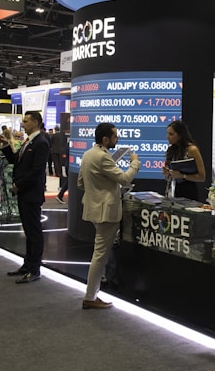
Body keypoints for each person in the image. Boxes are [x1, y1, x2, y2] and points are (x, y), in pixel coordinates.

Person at [78, 123, 140, 309]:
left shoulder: (89, 154)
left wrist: (99, 187)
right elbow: (124, 178)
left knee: (100, 253)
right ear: (105, 139)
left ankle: (92, 294)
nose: (117, 139)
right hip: (106, 212)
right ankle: (90, 297)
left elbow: (81, 183)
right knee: (100, 255)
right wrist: (135, 162)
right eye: (115, 136)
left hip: (95, 209)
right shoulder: (103, 157)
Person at [0, 111, 50, 284]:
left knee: (34, 232)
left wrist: (19, 185)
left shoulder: (41, 142)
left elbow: (36, 171)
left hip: (31, 194)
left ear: (35, 122)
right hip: (25, 193)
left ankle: (35, 268)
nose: (23, 124)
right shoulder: (28, 142)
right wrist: (6, 146)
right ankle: (27, 264)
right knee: (28, 231)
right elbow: (16, 161)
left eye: (26, 121)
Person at [162, 120, 206, 201]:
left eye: (171, 134)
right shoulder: (171, 150)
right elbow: (170, 177)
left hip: (188, 193)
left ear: (180, 136)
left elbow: (202, 177)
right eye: (168, 133)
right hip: (172, 192)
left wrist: (182, 176)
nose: (167, 136)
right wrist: (167, 174)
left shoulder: (192, 150)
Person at [52, 128, 68, 203]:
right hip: (61, 152)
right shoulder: (64, 138)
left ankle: (57, 173)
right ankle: (60, 195)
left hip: (55, 151)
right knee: (69, 182)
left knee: (56, 163)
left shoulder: (54, 135)